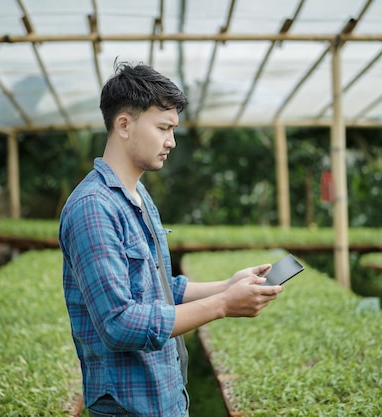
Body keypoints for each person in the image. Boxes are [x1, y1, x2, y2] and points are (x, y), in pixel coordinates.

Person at [58, 61, 283, 417]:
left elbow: (158, 288)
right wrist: (224, 305)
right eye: (164, 128)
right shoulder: (93, 208)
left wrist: (227, 285)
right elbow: (119, 323)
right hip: (129, 406)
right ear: (124, 124)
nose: (171, 142)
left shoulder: (138, 196)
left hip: (165, 394)